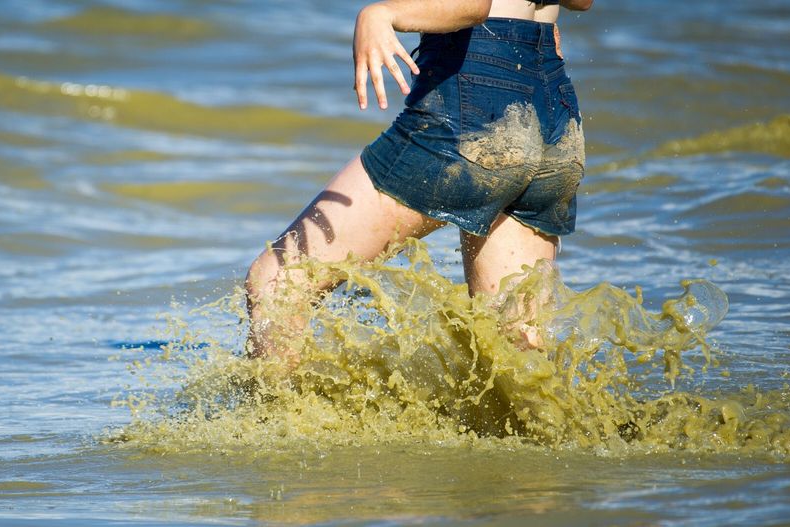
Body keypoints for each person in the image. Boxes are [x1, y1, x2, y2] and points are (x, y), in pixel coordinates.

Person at [246, 0, 593, 363]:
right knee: (516, 345)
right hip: (555, 115)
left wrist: (380, 15)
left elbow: (472, 5)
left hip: (475, 101)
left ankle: (274, 420)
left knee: (277, 281)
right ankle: (560, 420)